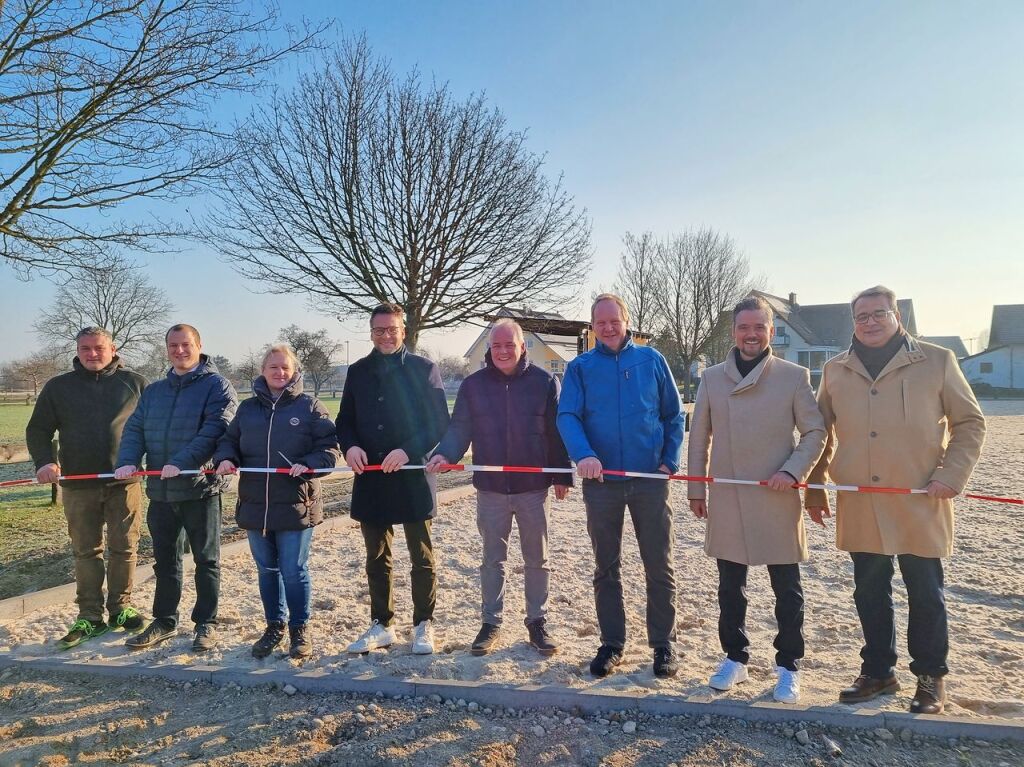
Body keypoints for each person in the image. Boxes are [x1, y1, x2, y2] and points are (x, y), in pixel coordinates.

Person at [806, 285, 985, 714]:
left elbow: (970, 422)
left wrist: (951, 476)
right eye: (861, 316)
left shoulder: (937, 360)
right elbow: (820, 433)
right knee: (869, 592)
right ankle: (879, 672)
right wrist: (814, 485)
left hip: (920, 499)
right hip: (860, 500)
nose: (870, 322)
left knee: (925, 591)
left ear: (897, 316)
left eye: (878, 314)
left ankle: (930, 677)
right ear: (853, 321)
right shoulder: (834, 370)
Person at [687, 297, 826, 703]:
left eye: (759, 327)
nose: (751, 334)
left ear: (771, 330)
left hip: (777, 495)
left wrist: (792, 471)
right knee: (730, 587)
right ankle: (735, 657)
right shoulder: (711, 378)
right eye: (743, 327)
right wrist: (697, 488)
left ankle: (788, 666)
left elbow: (815, 433)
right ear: (734, 331)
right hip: (729, 496)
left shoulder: (794, 376)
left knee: (788, 588)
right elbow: (699, 437)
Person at [426, 319, 572, 656]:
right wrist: (445, 453)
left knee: (538, 557)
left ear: (522, 346)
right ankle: (490, 622)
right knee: (493, 558)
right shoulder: (473, 385)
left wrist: (562, 475)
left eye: (510, 344)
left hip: (534, 488)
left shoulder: (545, 381)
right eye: (497, 345)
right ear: (490, 349)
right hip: (490, 488)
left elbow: (556, 430)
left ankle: (538, 622)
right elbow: (460, 427)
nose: (503, 351)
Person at [557, 293, 685, 678]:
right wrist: (583, 455)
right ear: (592, 326)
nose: (608, 328)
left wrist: (670, 459)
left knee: (658, 564)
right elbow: (567, 416)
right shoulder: (580, 368)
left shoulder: (652, 360)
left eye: (615, 320)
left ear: (626, 321)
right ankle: (612, 643)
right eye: (601, 322)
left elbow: (673, 415)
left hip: (649, 480)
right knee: (605, 566)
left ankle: (664, 644)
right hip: (602, 482)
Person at [114, 324, 237, 653]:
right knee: (165, 561)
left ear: (199, 345)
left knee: (206, 561)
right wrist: (127, 460)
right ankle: (165, 620)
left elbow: (216, 428)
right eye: (173, 345)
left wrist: (183, 461)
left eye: (186, 344)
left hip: (200, 489)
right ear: (166, 348)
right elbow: (135, 428)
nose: (179, 350)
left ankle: (205, 623)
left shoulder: (217, 386)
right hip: (160, 491)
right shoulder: (154, 391)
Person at [213, 345, 339, 659]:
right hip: (255, 504)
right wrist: (226, 458)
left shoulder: (310, 407)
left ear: (294, 369)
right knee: (267, 570)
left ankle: (300, 628)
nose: (279, 373)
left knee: (293, 569)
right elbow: (229, 441)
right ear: (263, 370)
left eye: (284, 367)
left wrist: (310, 463)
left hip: (296, 503)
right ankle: (274, 626)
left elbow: (330, 448)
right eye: (273, 367)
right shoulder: (247, 409)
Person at [337, 304, 450, 655]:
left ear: (403, 330)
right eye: (379, 330)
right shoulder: (357, 371)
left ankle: (423, 624)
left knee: (421, 555)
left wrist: (407, 450)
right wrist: (350, 445)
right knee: (376, 556)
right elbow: (345, 420)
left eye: (392, 329)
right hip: (370, 476)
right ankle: (382, 623)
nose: (386, 335)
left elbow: (437, 423)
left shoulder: (424, 369)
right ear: (371, 332)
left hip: (412, 474)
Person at [26, 327, 148, 649]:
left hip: (125, 483)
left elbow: (155, 426)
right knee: (86, 551)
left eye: (98, 348)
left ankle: (120, 609)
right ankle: (90, 616)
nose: (92, 354)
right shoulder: (58, 387)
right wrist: (44, 462)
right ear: (77, 350)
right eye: (85, 349)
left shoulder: (135, 384)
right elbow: (38, 429)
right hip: (79, 485)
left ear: (113, 348)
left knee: (124, 548)